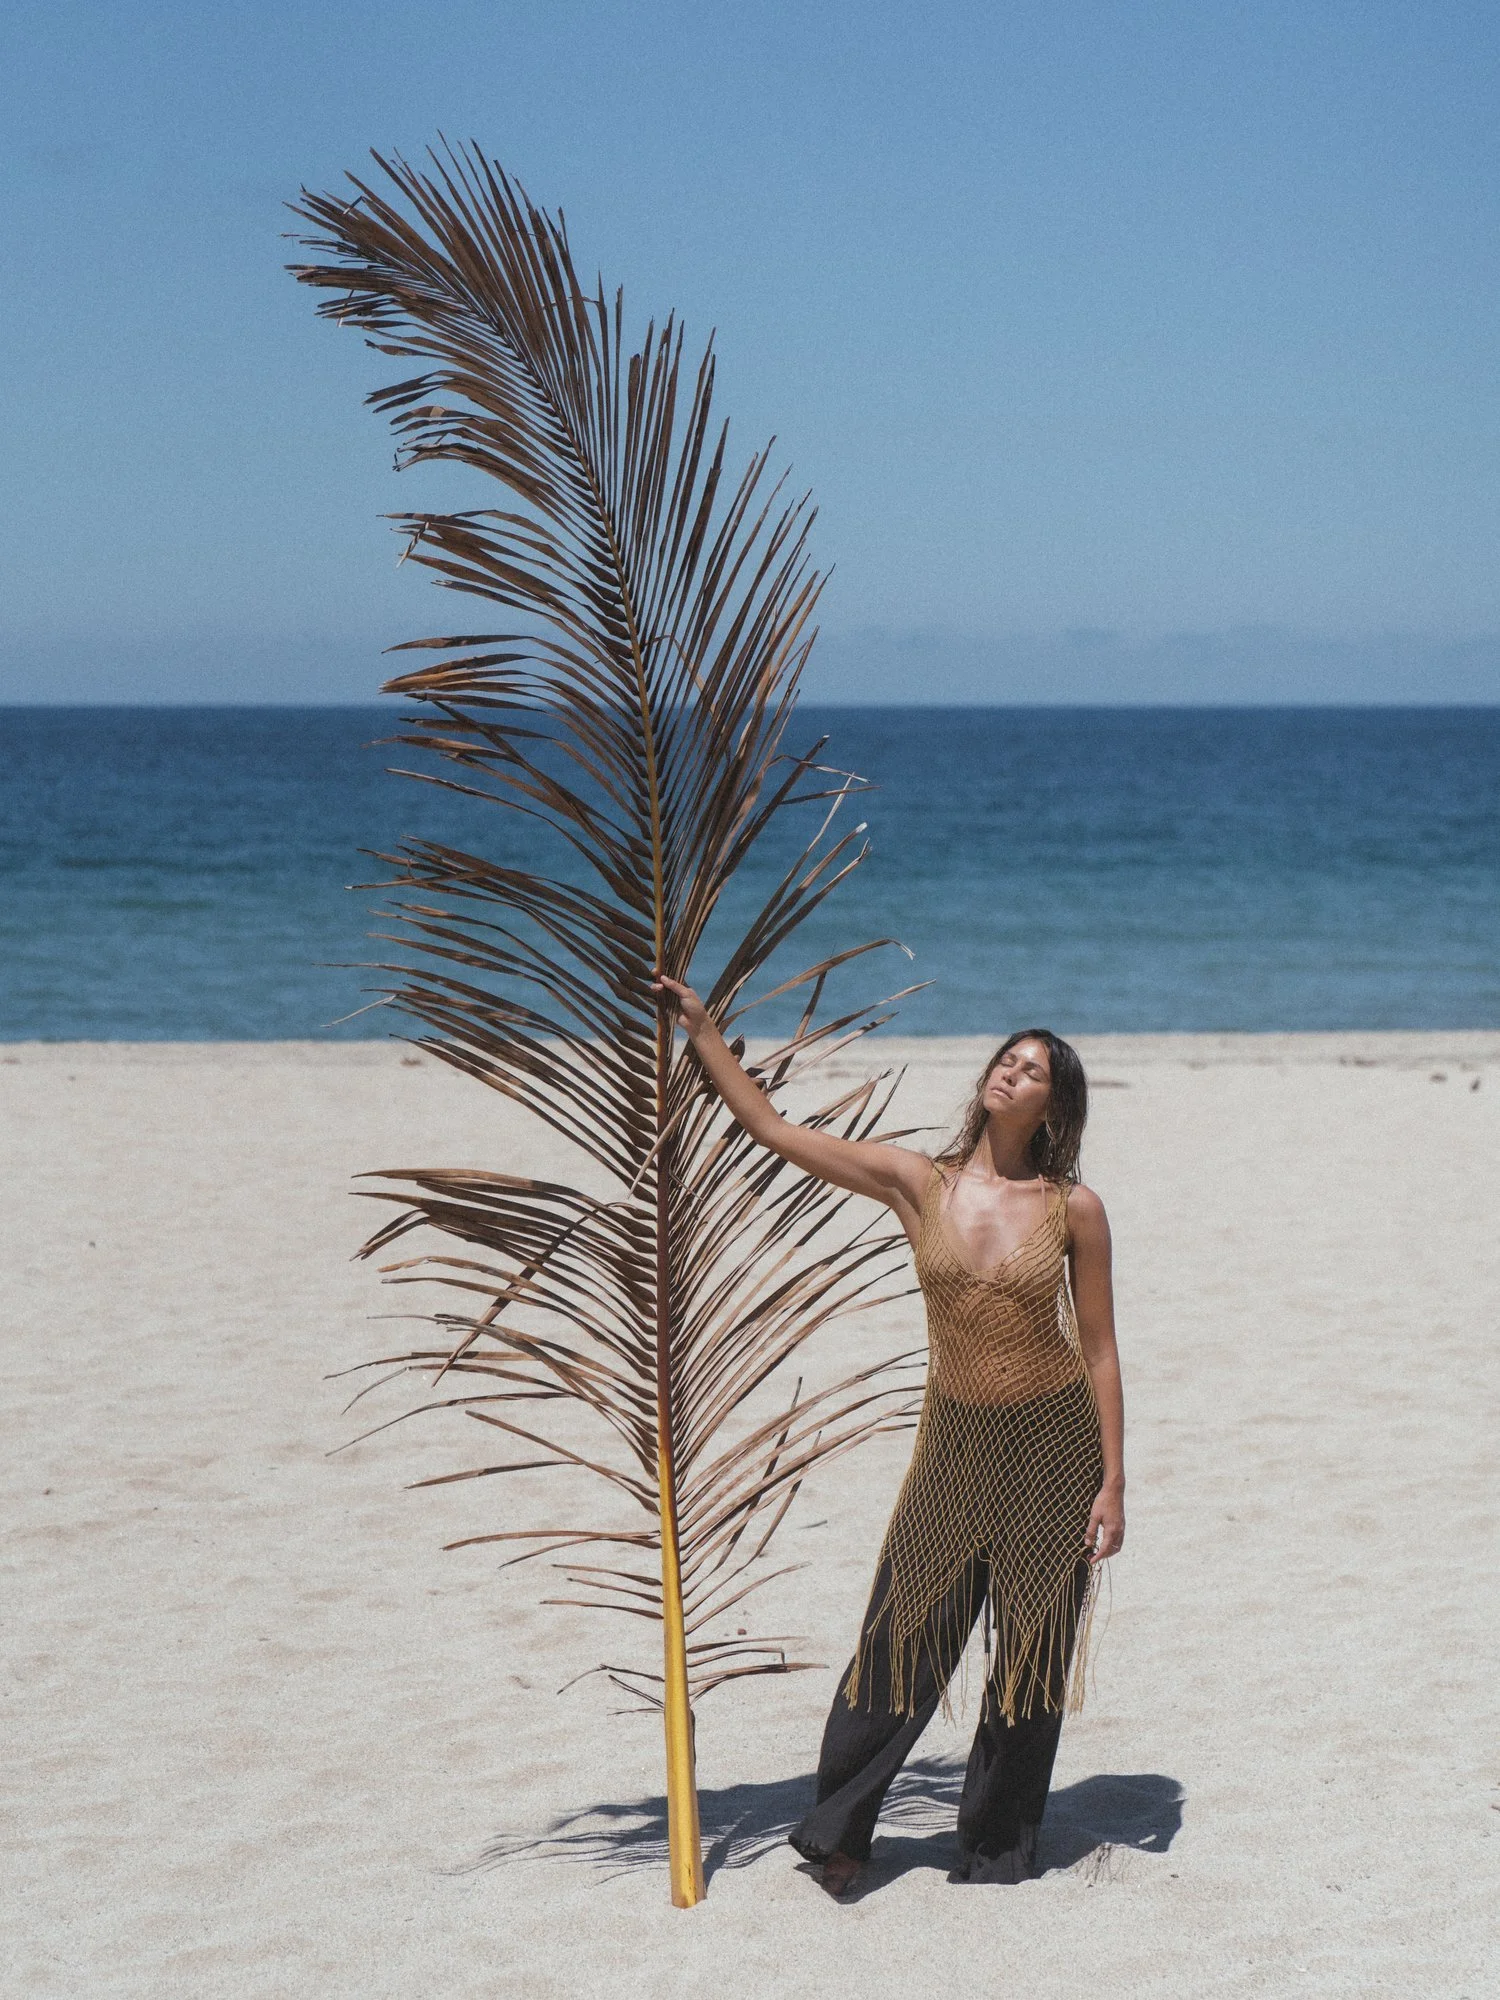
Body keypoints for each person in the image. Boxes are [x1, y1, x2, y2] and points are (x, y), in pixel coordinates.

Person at [653, 979, 1126, 1895]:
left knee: (1029, 1656)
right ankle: (839, 1834)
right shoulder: (920, 1181)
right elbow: (779, 1134)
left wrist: (1112, 1483)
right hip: (955, 1444)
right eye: (1006, 1057)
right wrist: (705, 1034)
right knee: (902, 1636)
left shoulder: (1075, 1208)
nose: (1009, 1072)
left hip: (1056, 1446)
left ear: (1054, 1105)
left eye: (1032, 1070)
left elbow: (1102, 1349)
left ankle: (995, 1850)